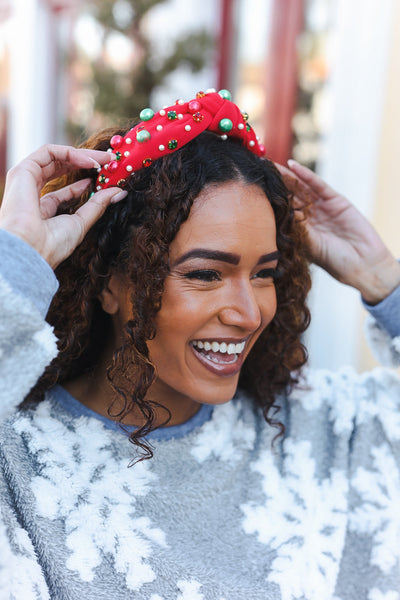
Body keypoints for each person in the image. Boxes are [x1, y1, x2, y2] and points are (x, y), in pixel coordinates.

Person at [0, 89, 399, 600]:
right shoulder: (17, 460)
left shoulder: (317, 432)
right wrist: (18, 260)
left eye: (264, 273)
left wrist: (384, 280)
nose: (249, 313)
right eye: (207, 274)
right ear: (109, 283)